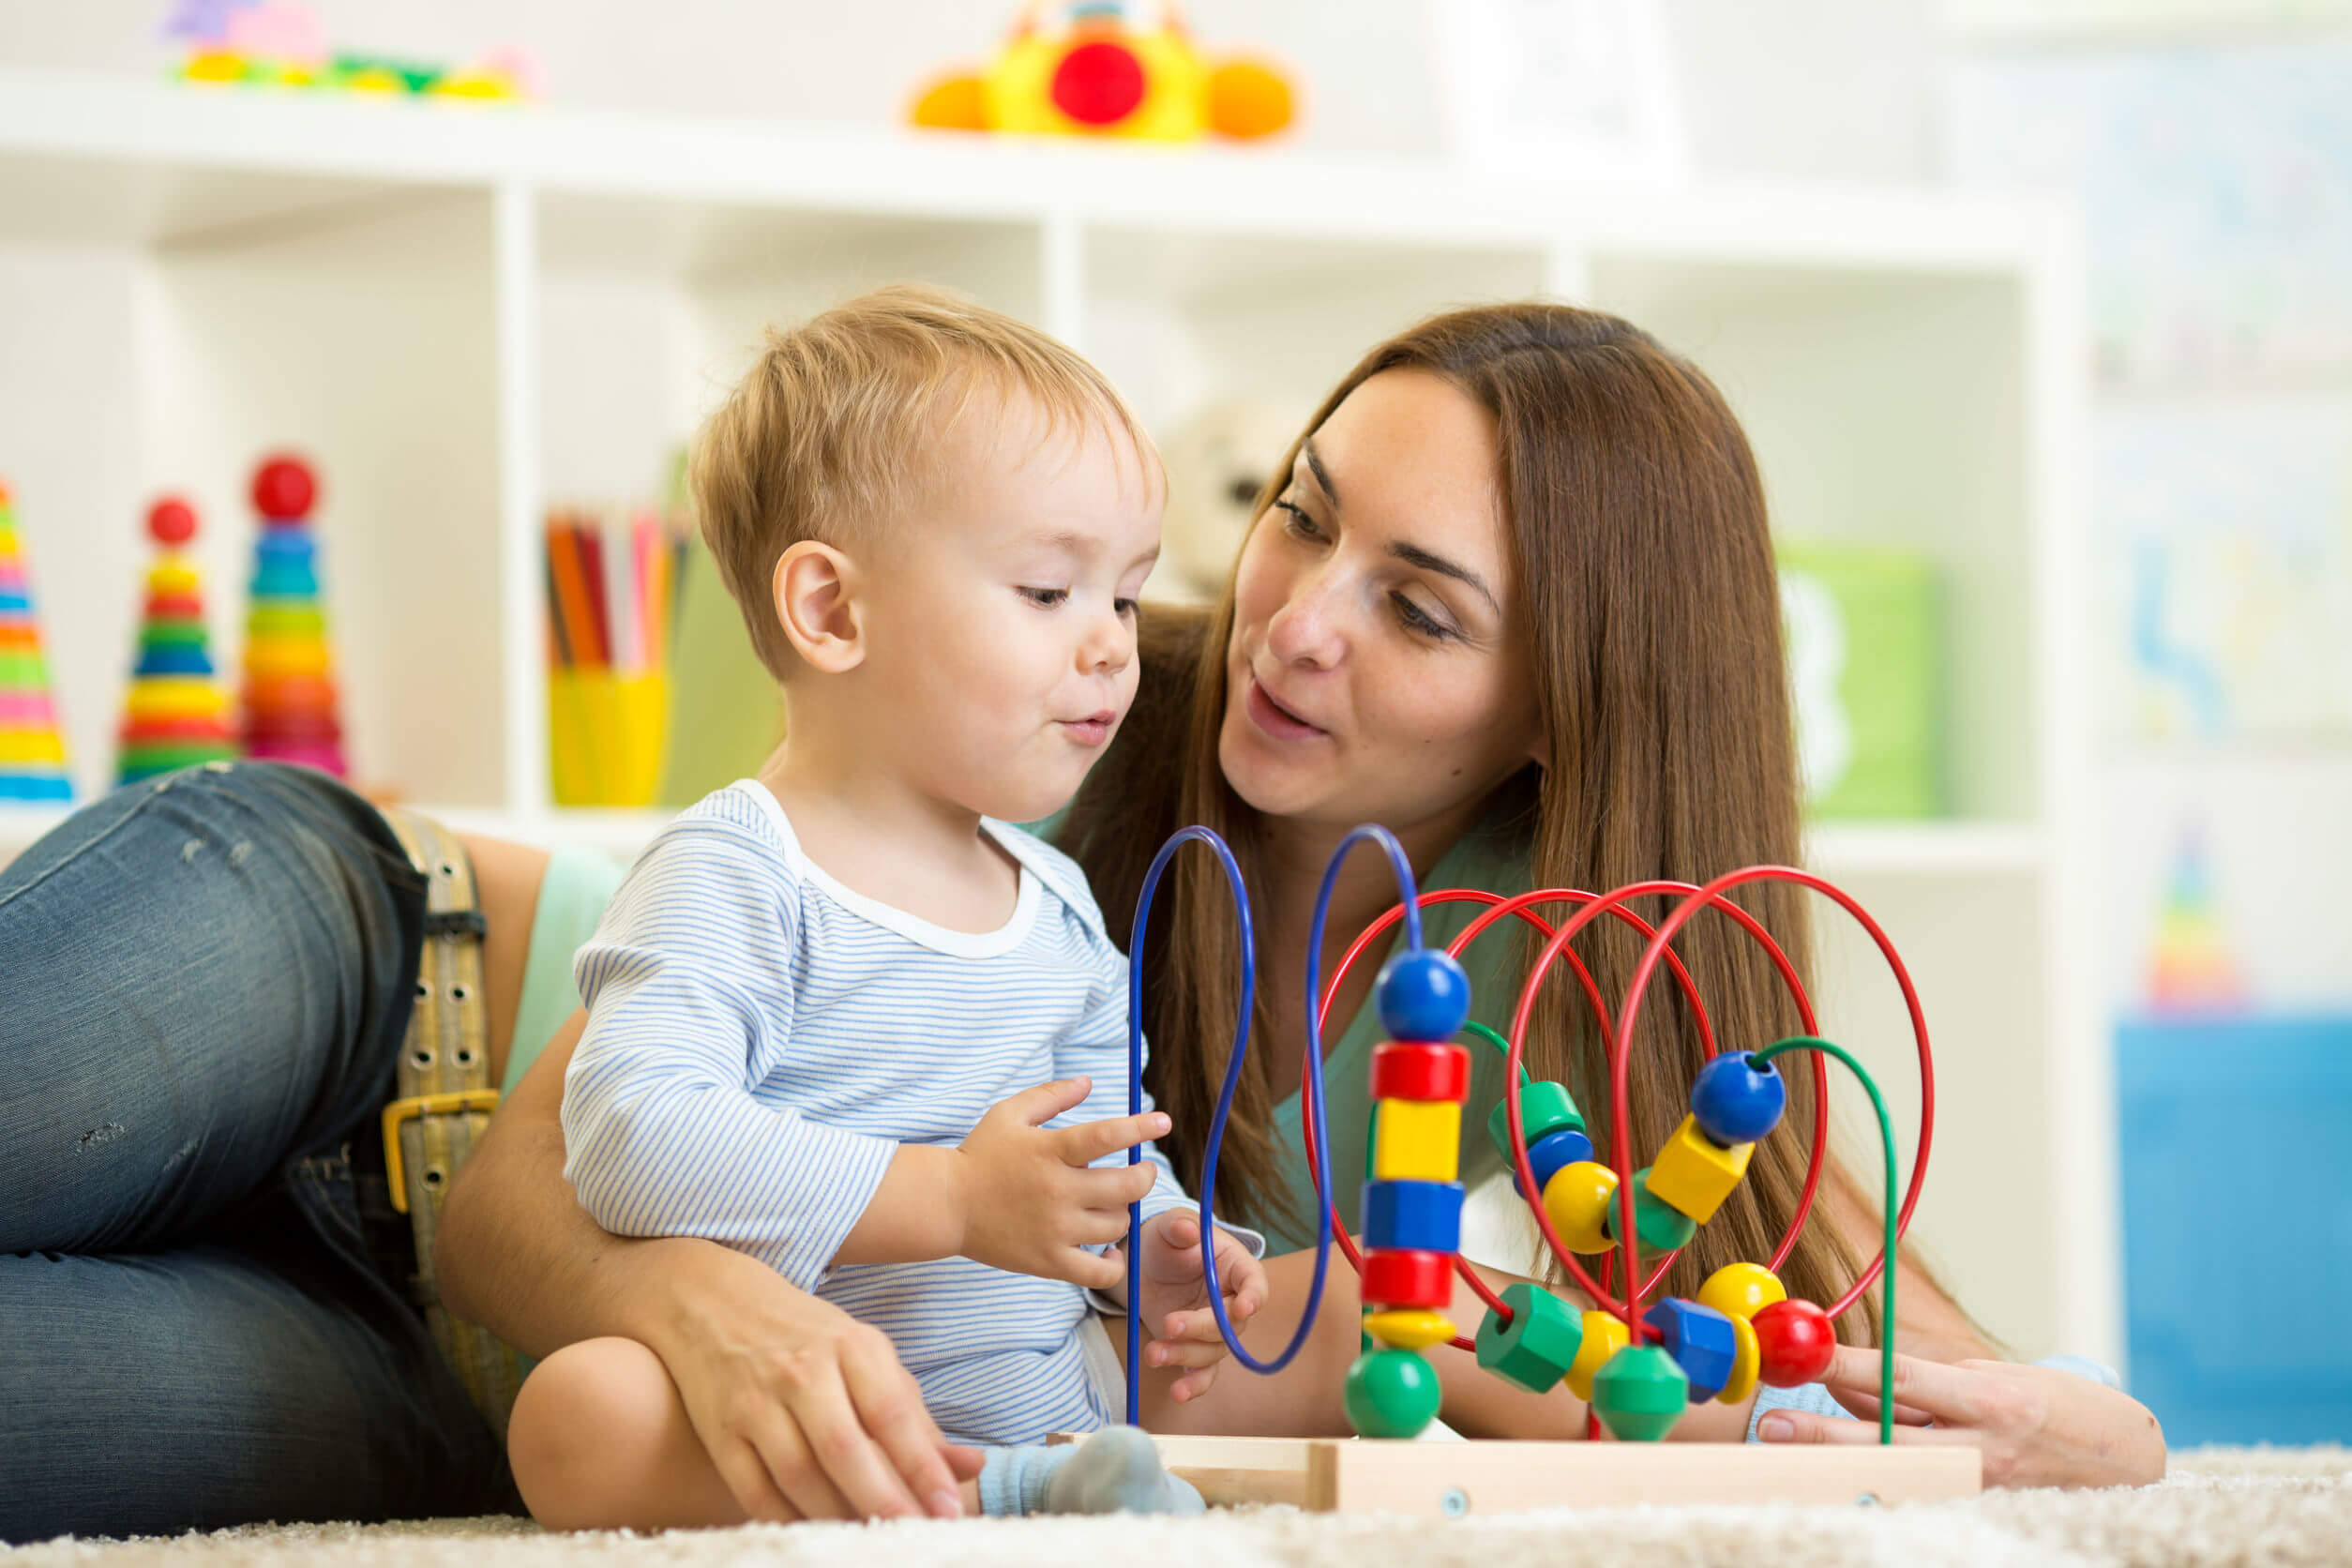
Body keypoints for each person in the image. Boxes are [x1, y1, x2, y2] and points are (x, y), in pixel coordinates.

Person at [0, 300, 2160, 1546]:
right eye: (1303, 509)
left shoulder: (1597, 990)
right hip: (382, 983)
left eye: (1415, 608)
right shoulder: (1075, 700)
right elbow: (511, 1198)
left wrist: (2083, 1429)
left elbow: (1900, 1349)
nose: (1289, 630)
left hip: (456, 1397)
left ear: (1565, 707)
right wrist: (708, 1303)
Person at [503, 287, 1266, 1529]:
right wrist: (950, 1200)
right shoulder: (737, 870)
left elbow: (1109, 1150)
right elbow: (633, 1135)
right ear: (831, 611)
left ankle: (1046, 1471)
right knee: (581, 1413)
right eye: (1046, 593)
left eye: (1123, 597)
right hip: (790, 1418)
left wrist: (1164, 1243)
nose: (1112, 648)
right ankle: (999, 1496)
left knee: (1263, 1346)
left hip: (1051, 1381)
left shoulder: (1059, 904)